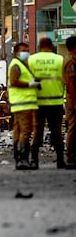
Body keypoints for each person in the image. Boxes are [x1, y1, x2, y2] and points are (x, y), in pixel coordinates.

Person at [28, 37, 66, 169]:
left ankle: (34, 161)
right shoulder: (60, 60)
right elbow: (65, 80)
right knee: (57, 131)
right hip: (56, 102)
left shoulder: (32, 60)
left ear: (39, 47)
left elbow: (29, 82)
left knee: (37, 131)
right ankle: (60, 160)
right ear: (51, 47)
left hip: (38, 103)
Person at [8, 42, 40, 170]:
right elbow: (14, 81)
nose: (26, 52)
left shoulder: (21, 64)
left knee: (18, 131)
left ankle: (18, 158)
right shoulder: (16, 65)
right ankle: (23, 158)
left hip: (20, 104)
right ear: (16, 52)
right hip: (23, 104)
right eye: (23, 50)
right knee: (26, 131)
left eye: (27, 50)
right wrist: (30, 84)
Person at [63, 36, 76, 169]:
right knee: (73, 128)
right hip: (73, 100)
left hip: (73, 99)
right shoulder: (70, 62)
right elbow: (71, 83)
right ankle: (71, 157)